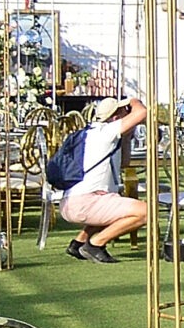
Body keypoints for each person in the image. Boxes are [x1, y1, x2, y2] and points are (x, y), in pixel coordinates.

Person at [60, 97, 149, 262]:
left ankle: (79, 243)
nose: (129, 114)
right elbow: (142, 112)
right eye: (125, 112)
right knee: (147, 212)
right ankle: (95, 244)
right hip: (84, 203)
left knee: (111, 205)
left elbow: (124, 163)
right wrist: (134, 101)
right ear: (115, 117)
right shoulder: (106, 131)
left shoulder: (92, 133)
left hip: (72, 201)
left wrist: (127, 137)